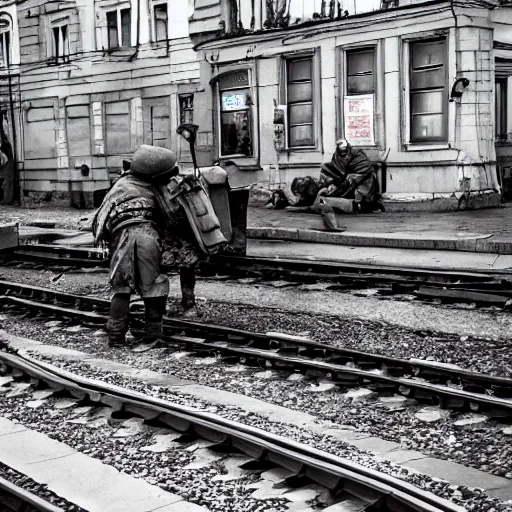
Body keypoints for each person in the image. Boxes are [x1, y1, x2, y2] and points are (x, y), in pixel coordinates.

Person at [92, 145, 177, 352]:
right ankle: (152, 337)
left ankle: (115, 338)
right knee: (154, 290)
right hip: (149, 239)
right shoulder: (157, 190)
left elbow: (101, 220)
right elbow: (171, 219)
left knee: (121, 289)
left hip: (121, 240)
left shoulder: (120, 186)